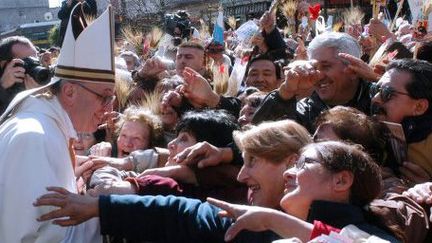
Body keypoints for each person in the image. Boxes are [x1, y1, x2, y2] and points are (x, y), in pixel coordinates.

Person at [33, 120, 312, 242]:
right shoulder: (241, 213)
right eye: (242, 161)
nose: (241, 174)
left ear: (290, 163)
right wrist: (99, 207)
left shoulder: (343, 231)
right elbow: (177, 213)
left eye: (251, 162)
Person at [0, 5, 115, 242]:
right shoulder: (33, 138)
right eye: (104, 96)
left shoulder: (48, 127)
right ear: (70, 91)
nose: (109, 108)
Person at [252, 32, 371, 132]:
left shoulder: (378, 101)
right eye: (314, 67)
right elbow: (259, 136)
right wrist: (285, 92)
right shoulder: (306, 110)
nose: (318, 75)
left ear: (353, 70)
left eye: (326, 66)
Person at [370, 59, 432, 185]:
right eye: (374, 89)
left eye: (387, 93)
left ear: (419, 107)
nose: (375, 99)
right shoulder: (369, 131)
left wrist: (427, 189)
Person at [0, 36, 41, 114]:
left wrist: (40, 96)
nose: (34, 66)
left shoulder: (45, 81)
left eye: (36, 60)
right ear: (4, 65)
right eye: (28, 62)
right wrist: (2, 87)